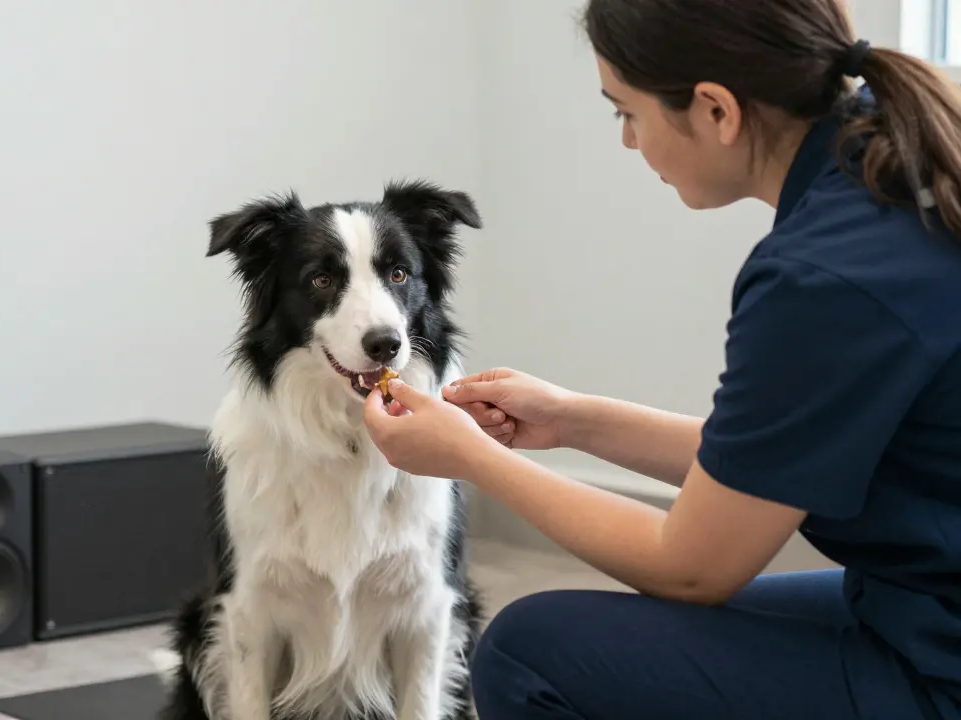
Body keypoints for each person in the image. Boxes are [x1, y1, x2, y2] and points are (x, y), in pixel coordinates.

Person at [362, 1, 961, 718]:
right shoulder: (887, 182)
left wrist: (473, 459)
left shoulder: (822, 277)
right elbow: (763, 465)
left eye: (627, 113)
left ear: (715, 110)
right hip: (921, 606)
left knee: (530, 649)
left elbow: (692, 567)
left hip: (938, 665)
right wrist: (571, 420)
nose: (627, 141)